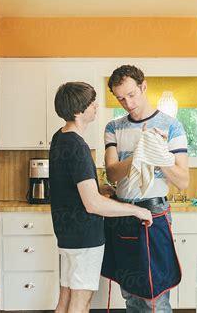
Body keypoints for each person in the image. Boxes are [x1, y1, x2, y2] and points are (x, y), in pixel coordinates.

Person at [49, 81, 153, 313]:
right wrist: (137, 210)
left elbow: (72, 188)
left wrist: (101, 190)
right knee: (81, 302)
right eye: (91, 102)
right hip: (84, 238)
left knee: (66, 297)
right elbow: (92, 204)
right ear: (78, 111)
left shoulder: (60, 138)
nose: (96, 105)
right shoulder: (78, 146)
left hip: (67, 235)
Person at [102, 65, 189, 312]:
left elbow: (182, 181)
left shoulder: (172, 127)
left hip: (155, 215)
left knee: (155, 296)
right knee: (130, 294)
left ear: (144, 86)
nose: (127, 103)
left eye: (131, 95)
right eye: (120, 98)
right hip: (123, 214)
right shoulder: (113, 127)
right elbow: (111, 172)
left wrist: (158, 155)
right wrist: (139, 154)